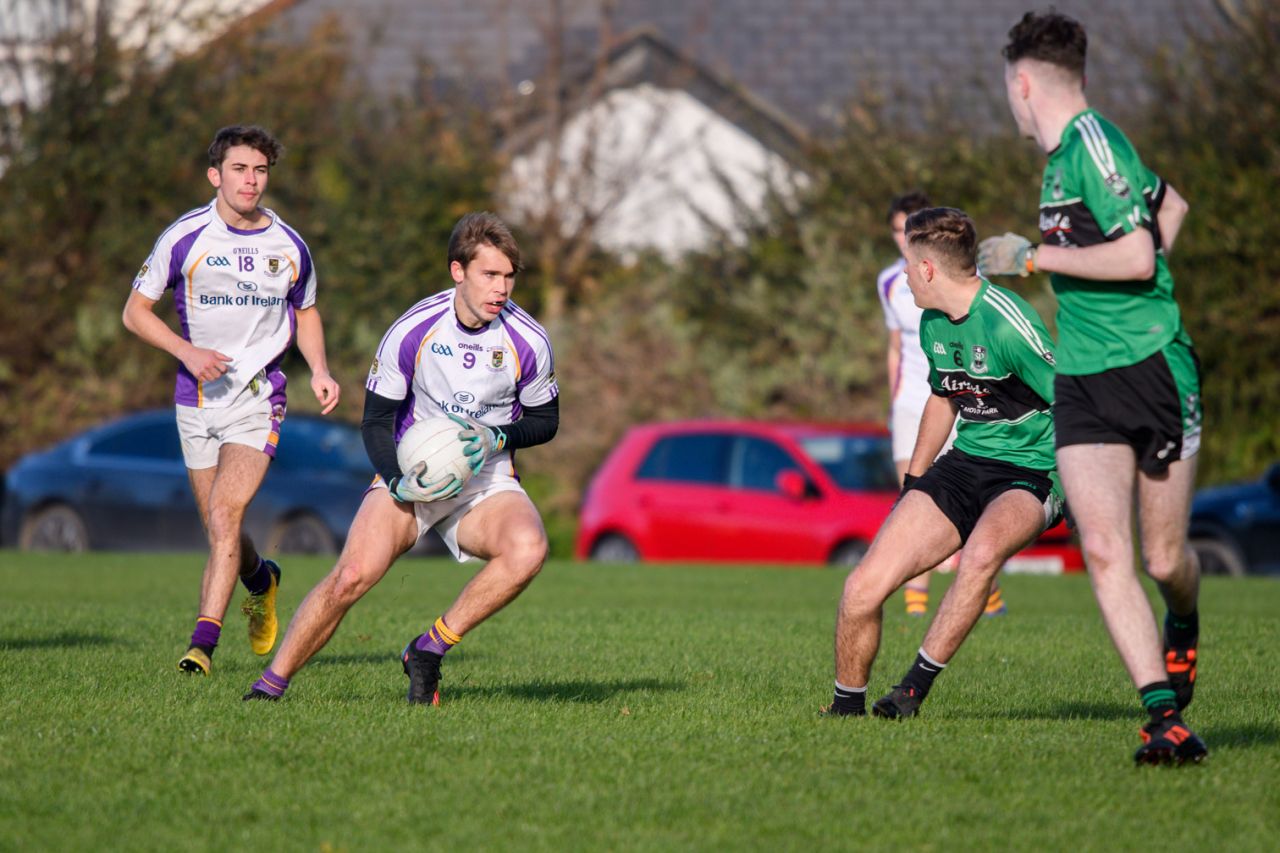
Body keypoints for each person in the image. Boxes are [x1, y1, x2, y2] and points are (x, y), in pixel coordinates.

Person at [978, 10, 1205, 765]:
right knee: (1106, 549)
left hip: (1150, 366)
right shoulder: (1057, 160)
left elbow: (1140, 253)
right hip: (1080, 376)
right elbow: (1169, 205)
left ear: (1022, 82)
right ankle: (1162, 717)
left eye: (1007, 90)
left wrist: (1036, 259)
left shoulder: (1094, 144)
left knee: (1165, 561)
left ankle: (1184, 618)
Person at [243, 211, 559, 705]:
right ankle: (270, 685)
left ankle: (428, 649)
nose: (502, 288)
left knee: (529, 550)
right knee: (351, 577)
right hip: (412, 471)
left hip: (484, 480)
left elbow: (546, 421)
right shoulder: (414, 329)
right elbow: (374, 421)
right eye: (490, 274)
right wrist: (394, 480)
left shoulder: (529, 340)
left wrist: (497, 438)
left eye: (509, 276)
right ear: (459, 271)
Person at [826, 207, 1062, 720]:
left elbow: (1075, 405)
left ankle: (910, 692)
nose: (904, 273)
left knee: (979, 559)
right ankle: (846, 711)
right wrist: (915, 481)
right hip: (965, 462)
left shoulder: (1009, 325)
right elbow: (943, 399)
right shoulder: (934, 321)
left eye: (909, 263)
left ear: (929, 270)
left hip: (1031, 472)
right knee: (862, 587)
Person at [123, 125, 340, 675]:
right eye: (240, 169)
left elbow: (306, 311)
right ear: (215, 175)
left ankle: (202, 644)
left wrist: (318, 369)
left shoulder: (289, 246)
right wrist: (187, 352)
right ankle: (262, 579)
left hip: (257, 399)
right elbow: (134, 313)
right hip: (195, 401)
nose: (251, 180)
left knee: (225, 512)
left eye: (261, 170)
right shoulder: (184, 237)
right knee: (222, 529)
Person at [878, 191, 1005, 619]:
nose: (903, 238)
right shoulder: (890, 283)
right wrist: (895, 396)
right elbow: (896, 345)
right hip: (914, 400)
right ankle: (916, 605)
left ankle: (984, 591)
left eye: (909, 230)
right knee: (914, 496)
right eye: (897, 230)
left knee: (968, 496)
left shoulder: (965, 279)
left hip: (958, 397)